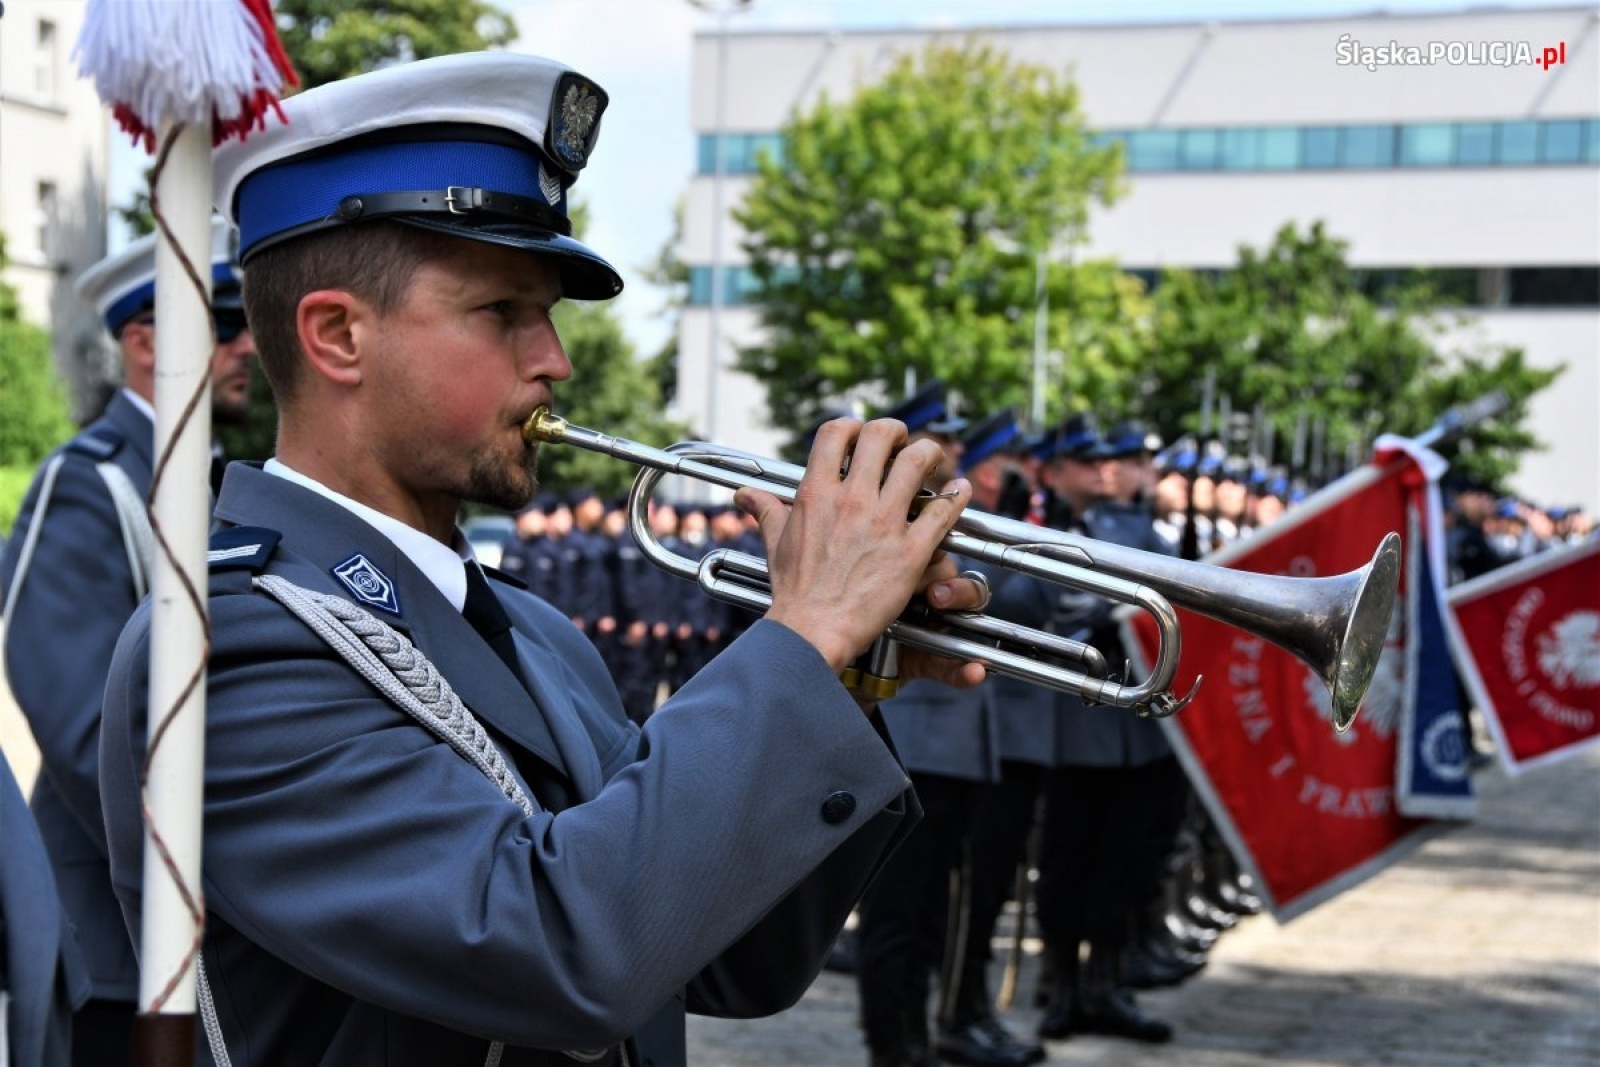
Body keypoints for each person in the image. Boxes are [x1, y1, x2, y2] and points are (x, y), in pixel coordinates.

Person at [97, 51, 986, 1067]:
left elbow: (724, 959)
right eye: (502, 312)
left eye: (549, 315)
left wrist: (839, 681)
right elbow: (558, 951)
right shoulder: (225, 648)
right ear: (338, 335)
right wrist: (800, 636)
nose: (555, 358)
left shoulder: (535, 631)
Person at [0, 216, 255, 1067]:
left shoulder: (216, 481)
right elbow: (79, 727)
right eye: (225, 325)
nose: (249, 346)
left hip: (210, 932)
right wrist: (219, 878)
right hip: (123, 933)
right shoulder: (91, 479)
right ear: (149, 339)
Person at [851, 389, 1037, 1067]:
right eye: (939, 440)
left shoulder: (952, 516)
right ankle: (892, 1047)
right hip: (914, 740)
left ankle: (918, 1039)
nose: (951, 454)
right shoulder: (890, 519)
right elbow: (970, 600)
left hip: (955, 745)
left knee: (931, 911)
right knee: (898, 915)